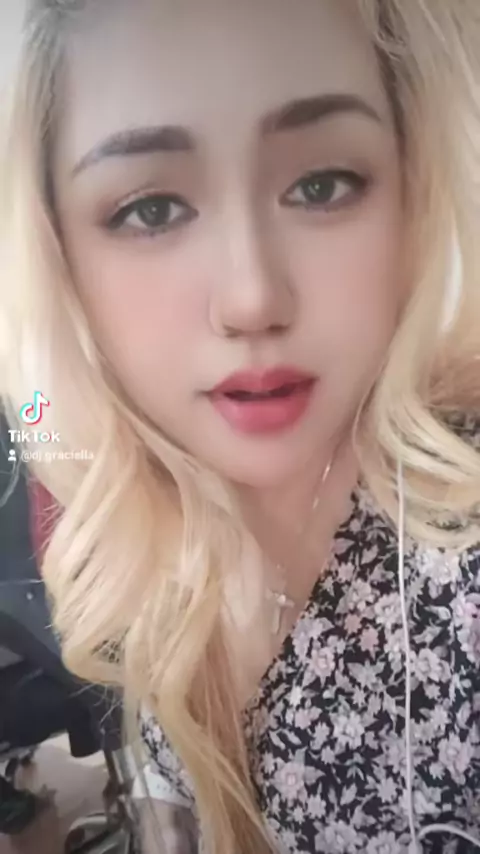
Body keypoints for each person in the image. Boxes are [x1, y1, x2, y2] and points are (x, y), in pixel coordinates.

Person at [0, 1, 479, 852]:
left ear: (413, 188)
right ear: (59, 254)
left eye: (321, 185)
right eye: (152, 209)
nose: (253, 296)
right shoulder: (149, 524)